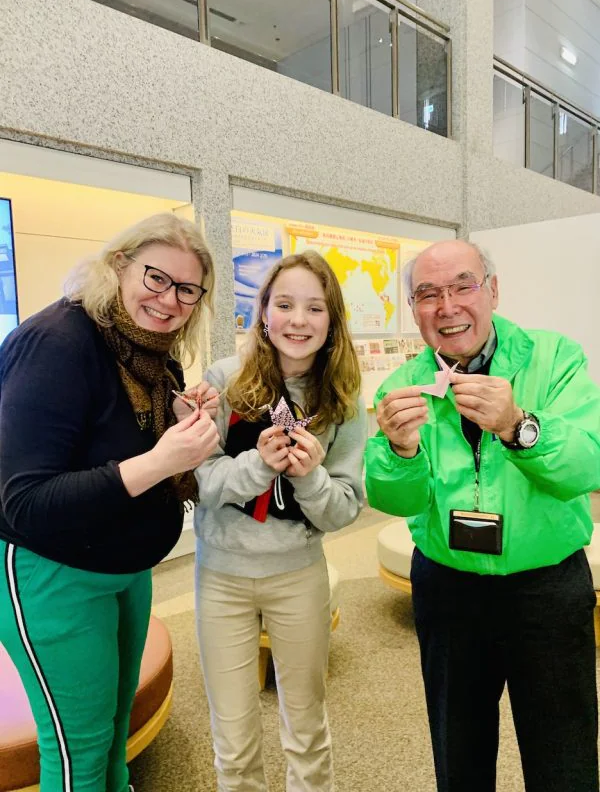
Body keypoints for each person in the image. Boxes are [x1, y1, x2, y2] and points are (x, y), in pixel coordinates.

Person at [365, 239, 600, 792]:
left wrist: (519, 424)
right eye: (427, 294)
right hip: (448, 589)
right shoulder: (403, 385)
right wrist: (397, 452)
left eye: (462, 286)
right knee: (459, 748)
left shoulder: (554, 357)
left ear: (492, 290)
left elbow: (586, 463)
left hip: (547, 586)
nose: (446, 306)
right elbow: (394, 501)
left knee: (563, 753)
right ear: (414, 307)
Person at [0, 213, 220, 792]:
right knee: (78, 752)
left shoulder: (151, 352)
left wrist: (173, 424)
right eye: (156, 278)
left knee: (114, 734)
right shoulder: (56, 342)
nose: (169, 300)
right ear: (119, 265)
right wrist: (160, 460)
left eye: (187, 290)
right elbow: (24, 499)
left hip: (124, 570)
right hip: (52, 572)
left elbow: (114, 442)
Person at [194, 250, 367, 791]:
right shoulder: (224, 380)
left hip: (299, 577)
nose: (298, 320)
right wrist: (256, 464)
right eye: (285, 304)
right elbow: (198, 482)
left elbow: (343, 507)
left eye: (315, 308)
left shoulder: (342, 398)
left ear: (332, 320)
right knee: (234, 735)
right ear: (262, 312)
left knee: (307, 728)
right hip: (220, 578)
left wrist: (310, 476)